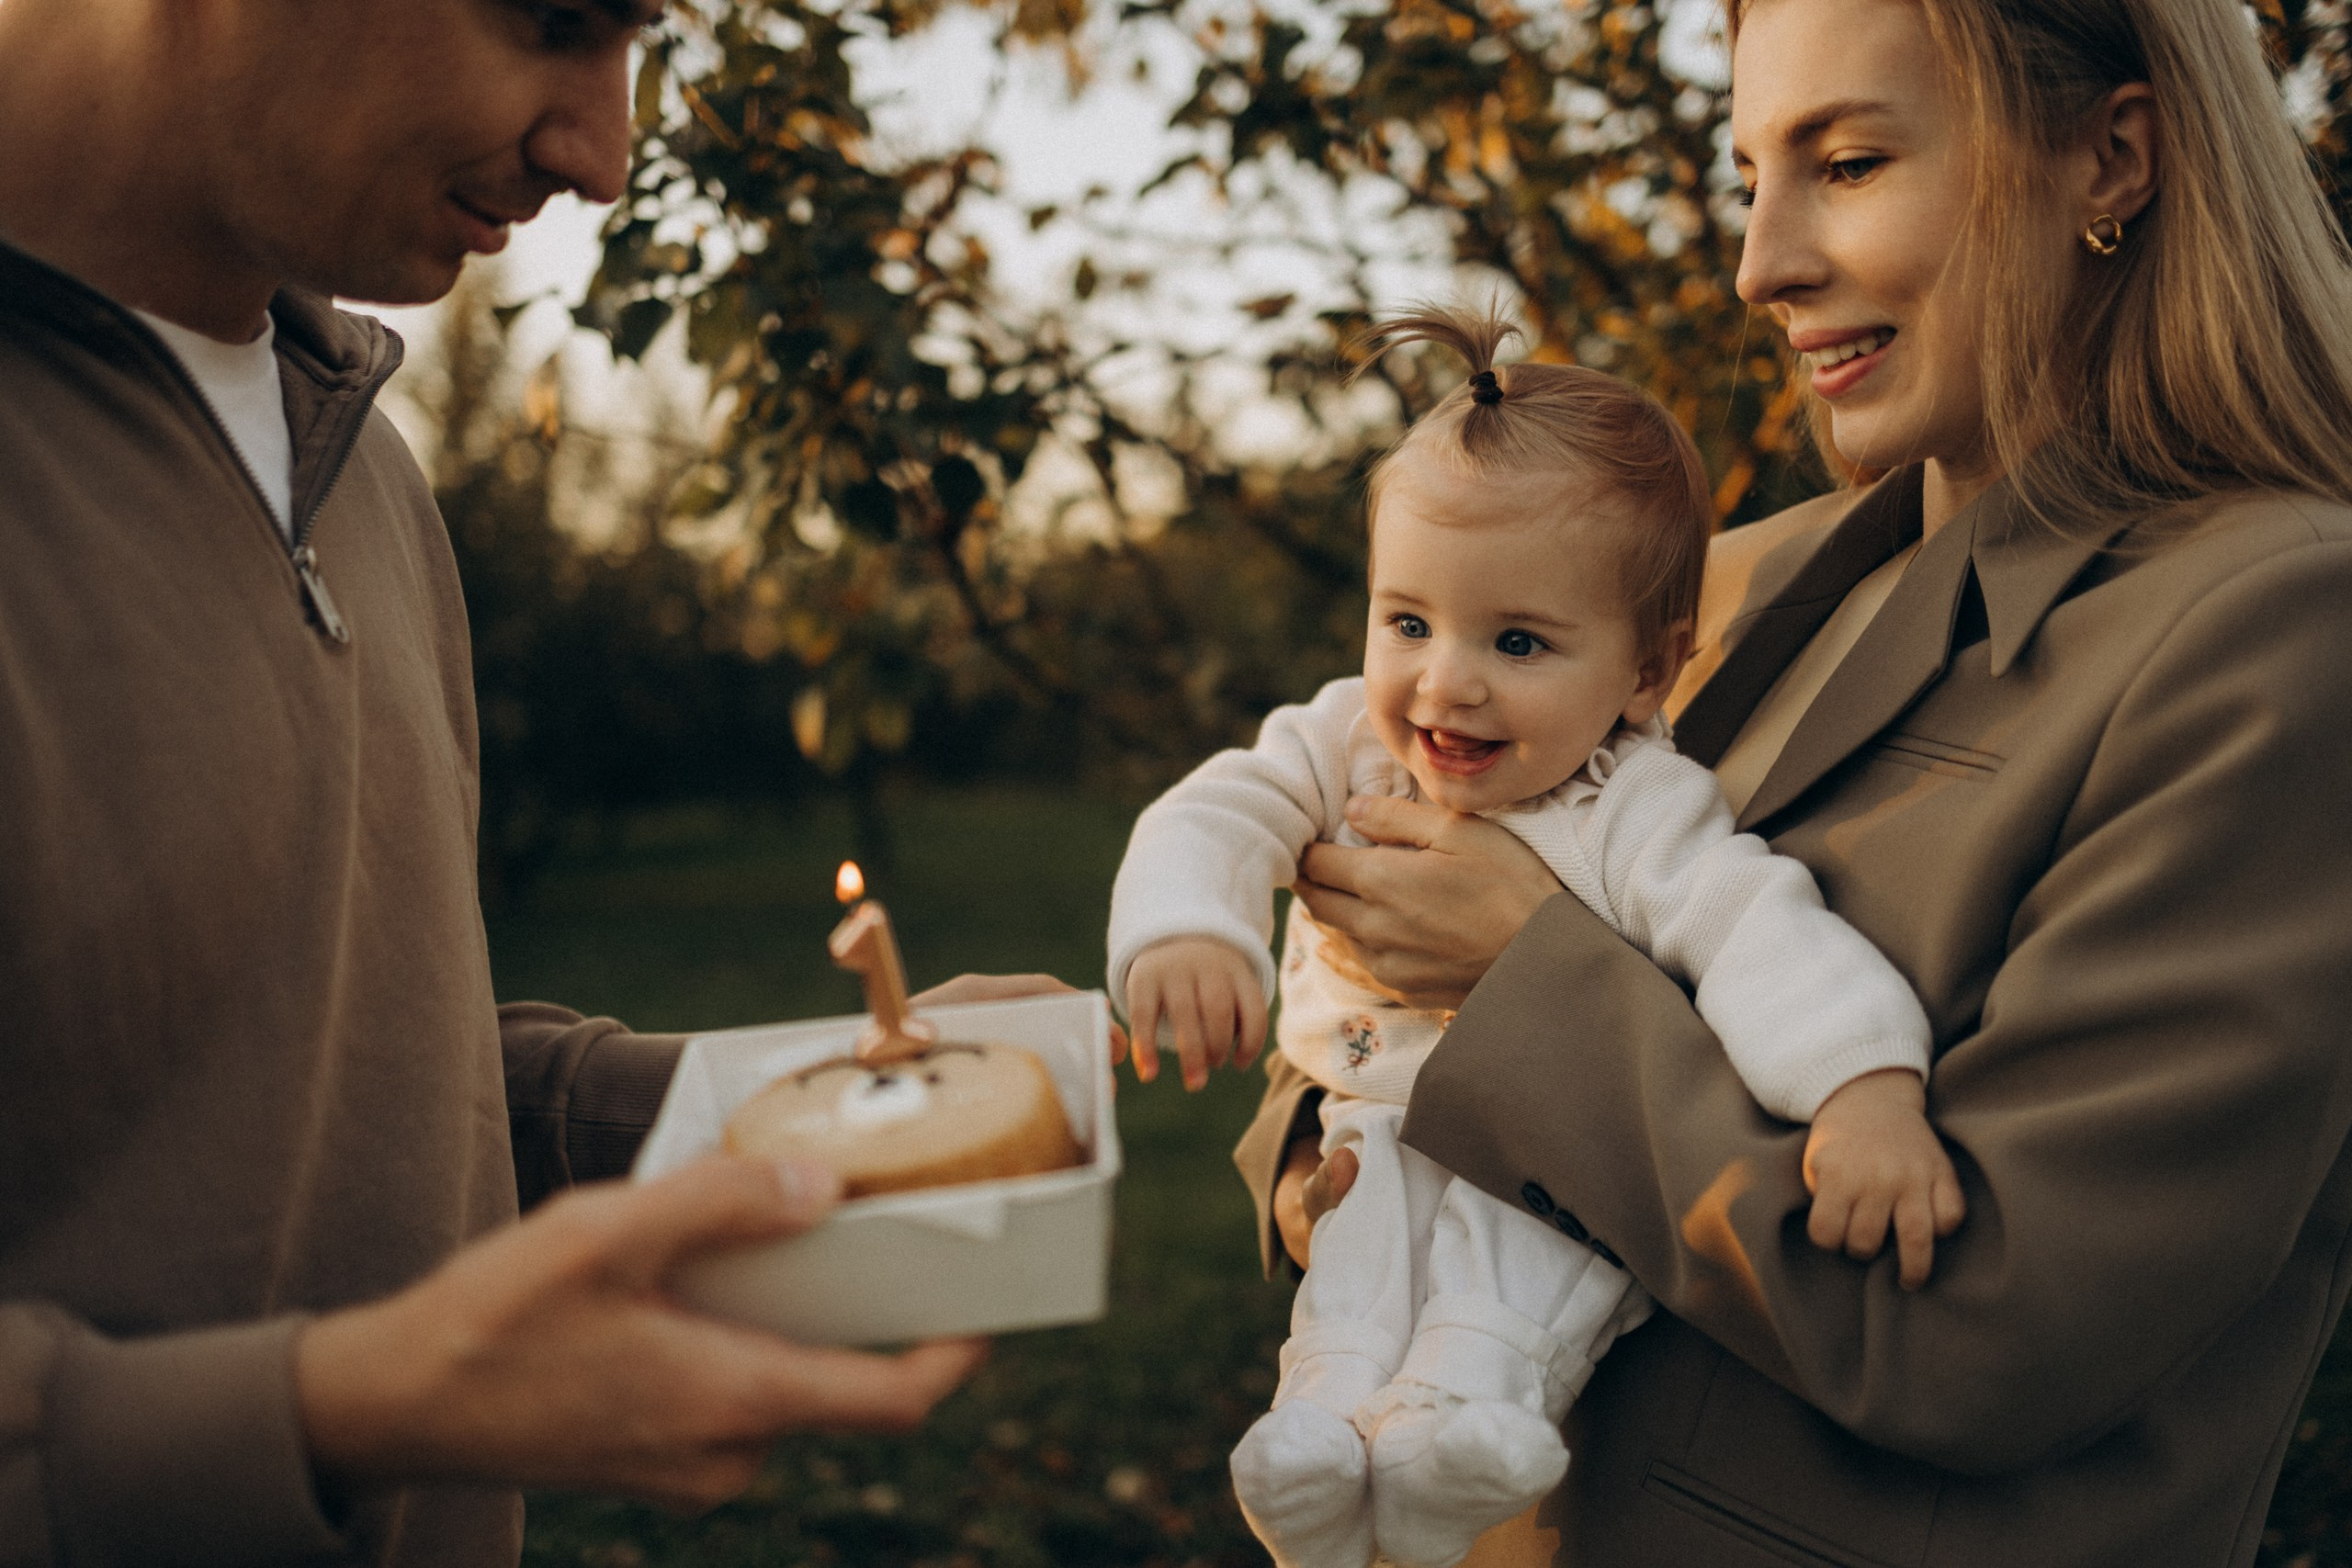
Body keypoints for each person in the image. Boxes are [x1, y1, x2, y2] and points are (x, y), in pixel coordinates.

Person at [1237, 0, 2352, 1562]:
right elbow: (1387, 942)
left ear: (2111, 158)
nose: (1759, 265)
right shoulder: (1730, 585)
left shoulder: (2280, 627)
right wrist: (1321, 1174)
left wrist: (1520, 986)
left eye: (1848, 163)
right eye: (1750, 174)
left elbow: (1999, 1330)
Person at [0, 4, 1039, 1563]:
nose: (604, 156)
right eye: (553, 19)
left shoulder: (356, 460)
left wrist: (814, 1106)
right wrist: (338, 1414)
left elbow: (359, 1079)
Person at [1111, 307, 1959, 1568]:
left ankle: (1463, 1426)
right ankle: (1315, 1439)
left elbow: (1754, 930)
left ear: (1645, 673)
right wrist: (1189, 929)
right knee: (1359, 1259)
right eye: (1407, 623)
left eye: (1516, 643)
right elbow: (1217, 812)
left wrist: (1863, 1087)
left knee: (1520, 1272)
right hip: (1376, 1114)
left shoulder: (1632, 808)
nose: (1444, 682)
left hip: (1557, 1148)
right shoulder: (1343, 740)